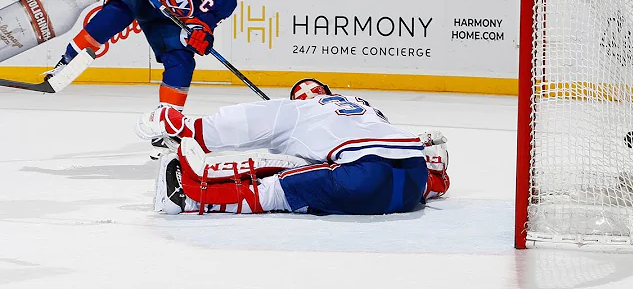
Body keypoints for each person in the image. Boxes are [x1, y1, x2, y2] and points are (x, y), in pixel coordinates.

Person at [44, 0, 256, 153]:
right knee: (111, 18)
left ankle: (167, 126)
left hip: (166, 19)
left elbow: (198, 28)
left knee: (182, 61)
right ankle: (65, 63)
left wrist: (201, 37)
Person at [136, 78, 451, 215]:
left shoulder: (301, 110)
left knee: (282, 181)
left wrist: (188, 128)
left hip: (364, 183)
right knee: (367, 165)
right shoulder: (364, 105)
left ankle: (193, 199)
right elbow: (385, 144)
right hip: (413, 177)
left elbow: (244, 121)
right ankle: (437, 179)